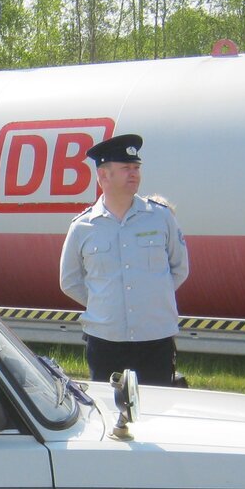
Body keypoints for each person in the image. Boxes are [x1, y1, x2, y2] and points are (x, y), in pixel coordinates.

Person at [59, 133, 189, 386]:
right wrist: (106, 304)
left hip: (155, 339)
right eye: (126, 168)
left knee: (157, 405)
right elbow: (69, 281)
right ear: (103, 175)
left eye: (136, 168)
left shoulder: (160, 217)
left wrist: (149, 299)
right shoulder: (82, 226)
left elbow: (179, 268)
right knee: (109, 406)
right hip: (105, 341)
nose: (134, 174)